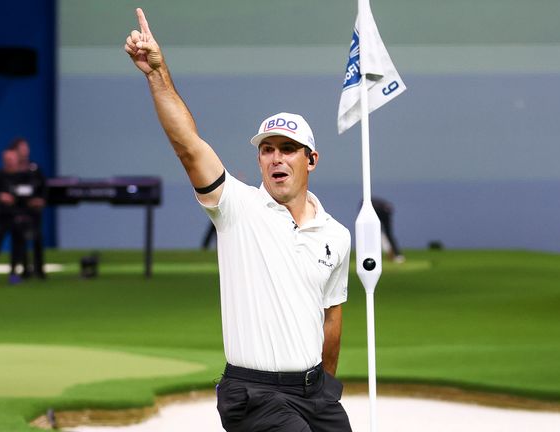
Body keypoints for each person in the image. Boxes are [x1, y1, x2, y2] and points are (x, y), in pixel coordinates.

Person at [125, 8, 352, 432]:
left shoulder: (335, 235)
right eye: (268, 149)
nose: (277, 157)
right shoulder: (237, 207)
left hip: (314, 394)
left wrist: (326, 387)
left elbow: (331, 316)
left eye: (288, 148)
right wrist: (157, 75)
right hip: (255, 395)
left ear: (311, 160)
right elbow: (189, 146)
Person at [0, 148, 27, 286]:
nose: (10, 162)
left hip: (18, 216)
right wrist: (0, 196)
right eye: (7, 159)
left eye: (12, 159)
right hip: (2, 216)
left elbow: (29, 192)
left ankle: (13, 273)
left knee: (17, 246)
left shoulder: (23, 176)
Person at [9, 137, 47, 279]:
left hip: (34, 210)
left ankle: (40, 269)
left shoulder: (34, 168)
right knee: (20, 240)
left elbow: (43, 187)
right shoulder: (12, 171)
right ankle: (24, 269)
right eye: (22, 148)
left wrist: (40, 200)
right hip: (19, 210)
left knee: (37, 238)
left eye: (26, 148)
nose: (25, 151)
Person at [370, 196, 405, 263]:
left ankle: (397, 255)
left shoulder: (380, 206)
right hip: (377, 217)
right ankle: (392, 254)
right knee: (377, 236)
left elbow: (389, 209)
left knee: (388, 235)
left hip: (383, 216)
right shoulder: (371, 206)